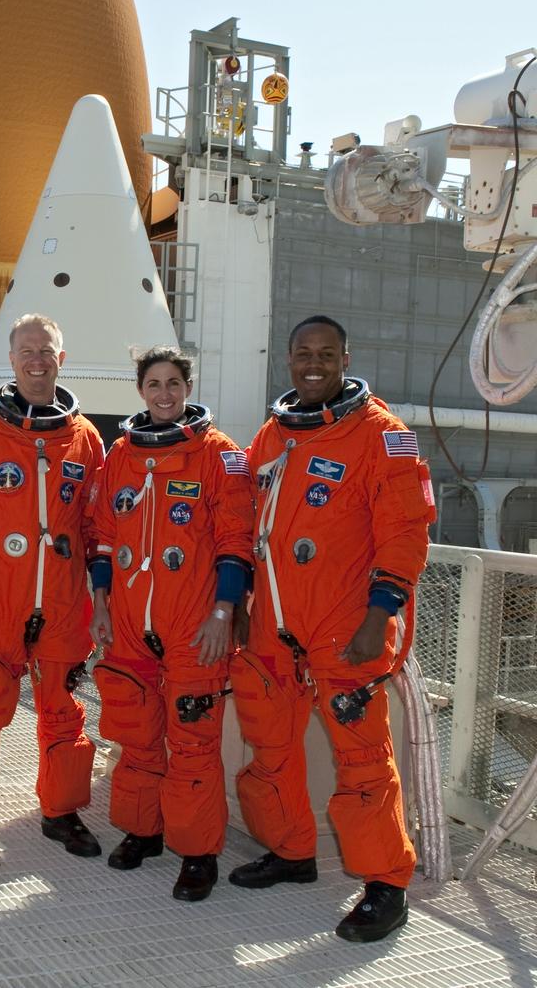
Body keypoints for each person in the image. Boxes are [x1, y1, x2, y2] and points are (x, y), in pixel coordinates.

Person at [229, 314, 435, 942]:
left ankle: (386, 884)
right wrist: (239, 606)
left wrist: (381, 617)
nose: (312, 363)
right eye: (302, 354)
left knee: (364, 759)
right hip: (274, 624)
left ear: (346, 357)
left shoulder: (382, 437)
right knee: (272, 744)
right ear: (289, 360)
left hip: (346, 626)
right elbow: (250, 525)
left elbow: (405, 534)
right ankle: (293, 853)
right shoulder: (272, 436)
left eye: (325, 353)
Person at [88, 347, 254, 902]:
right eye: (154, 384)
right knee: (136, 737)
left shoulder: (219, 456)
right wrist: (102, 603)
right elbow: (104, 536)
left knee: (193, 743)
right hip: (131, 623)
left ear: (188, 387)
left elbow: (236, 543)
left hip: (194, 625)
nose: (164, 394)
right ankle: (144, 831)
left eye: (174, 383)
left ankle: (198, 852)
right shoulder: (120, 455)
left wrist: (223, 613)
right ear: (141, 390)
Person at [0, 313, 103, 858]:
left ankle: (61, 812)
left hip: (60, 600)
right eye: (27, 351)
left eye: (47, 351)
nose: (37, 360)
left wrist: (100, 597)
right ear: (11, 361)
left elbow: (98, 527)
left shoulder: (84, 439)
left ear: (62, 358)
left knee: (62, 712)